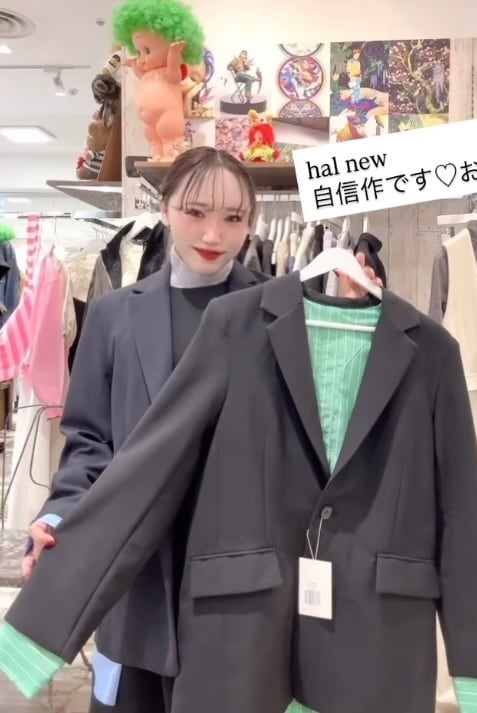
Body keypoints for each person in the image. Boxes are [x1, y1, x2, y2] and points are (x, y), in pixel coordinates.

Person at [20, 145, 382, 713]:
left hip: (245, 585)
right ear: (165, 207)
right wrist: (60, 515)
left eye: (233, 218)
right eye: (195, 212)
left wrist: (356, 336)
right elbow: (90, 442)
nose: (214, 233)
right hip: (138, 578)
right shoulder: (116, 315)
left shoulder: (285, 314)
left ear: (251, 223)